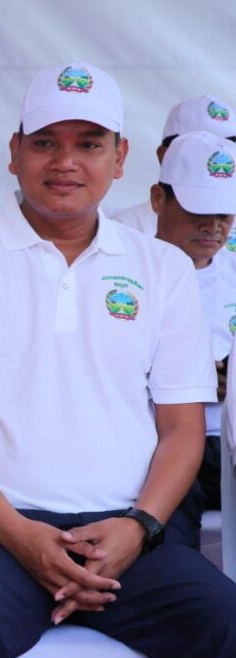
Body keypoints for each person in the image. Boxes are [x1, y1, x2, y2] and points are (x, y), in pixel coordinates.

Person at [0, 62, 236, 658]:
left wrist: (139, 527)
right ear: (14, 152)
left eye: (90, 144)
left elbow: (183, 427)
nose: (66, 163)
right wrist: (16, 534)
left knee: (227, 625)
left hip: (129, 533)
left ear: (121, 157)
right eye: (46, 142)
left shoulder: (163, 269)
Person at [151, 131, 236, 512]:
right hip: (152, 442)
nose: (213, 226)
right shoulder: (120, 272)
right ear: (158, 199)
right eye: (199, 211)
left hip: (227, 440)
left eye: (225, 214)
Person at [113, 95, 236, 236]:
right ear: (163, 155)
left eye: (227, 146)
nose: (213, 151)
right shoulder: (124, 229)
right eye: (194, 144)